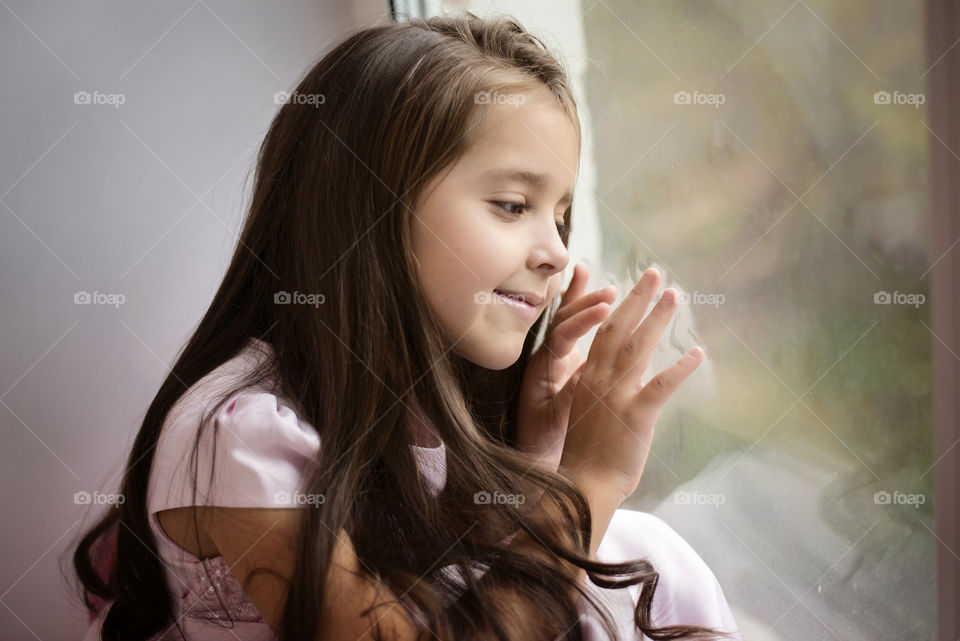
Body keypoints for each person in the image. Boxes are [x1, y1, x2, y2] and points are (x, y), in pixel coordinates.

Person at [73, 12, 740, 641]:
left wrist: (540, 463)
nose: (557, 252)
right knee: (638, 552)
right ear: (368, 213)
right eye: (513, 205)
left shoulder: (407, 408)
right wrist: (588, 485)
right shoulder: (239, 432)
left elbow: (452, 581)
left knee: (649, 551)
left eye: (559, 214)